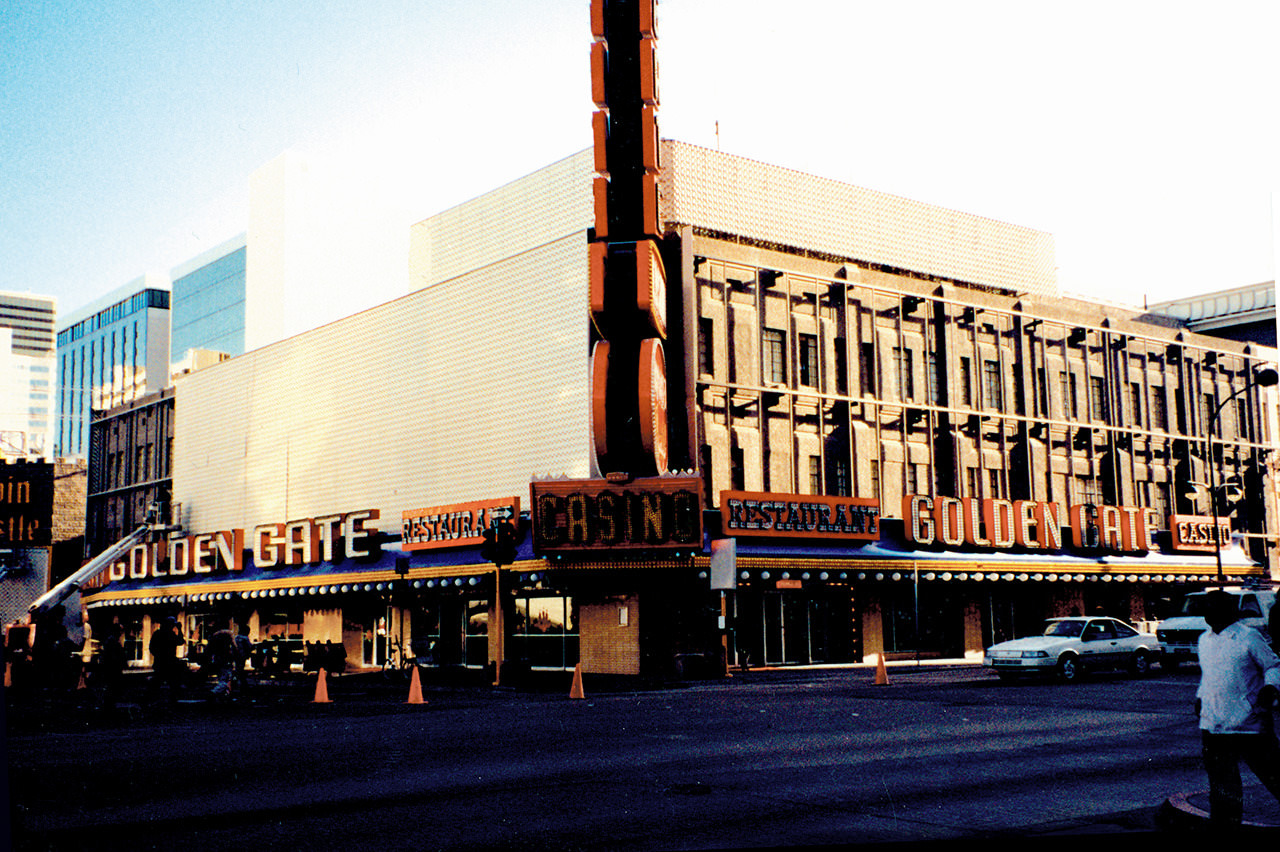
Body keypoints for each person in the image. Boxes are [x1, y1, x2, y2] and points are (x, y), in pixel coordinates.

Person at [1195, 589, 1280, 828]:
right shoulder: (1204, 640)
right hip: (1213, 726)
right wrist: (1201, 697)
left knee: (1274, 776)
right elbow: (1210, 675)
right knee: (1223, 786)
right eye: (1206, 610)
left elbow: (1273, 665)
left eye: (1212, 609)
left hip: (1249, 724)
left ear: (1228, 611)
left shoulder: (1249, 637)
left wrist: (1271, 688)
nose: (1207, 615)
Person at [146, 617, 185, 699]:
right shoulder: (167, 634)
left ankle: (152, 697)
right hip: (167, 662)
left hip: (162, 662)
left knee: (160, 682)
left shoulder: (159, 634)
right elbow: (180, 641)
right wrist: (179, 629)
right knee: (170, 682)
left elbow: (151, 648)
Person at [207, 625, 237, 700]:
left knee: (221, 677)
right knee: (226, 678)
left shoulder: (215, 635)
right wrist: (236, 654)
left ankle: (223, 694)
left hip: (217, 657)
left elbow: (209, 647)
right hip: (227, 657)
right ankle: (215, 692)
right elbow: (234, 646)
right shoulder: (229, 633)